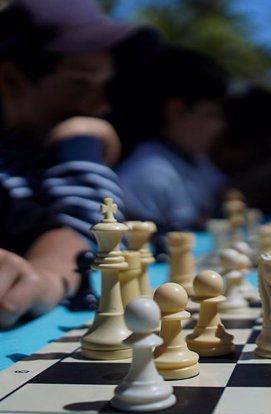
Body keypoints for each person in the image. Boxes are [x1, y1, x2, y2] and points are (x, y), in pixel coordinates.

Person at [0, 0, 156, 327]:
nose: (100, 104)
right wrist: (81, 145)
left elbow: (78, 235)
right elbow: (93, 234)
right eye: (79, 83)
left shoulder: (46, 155)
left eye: (103, 85)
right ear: (12, 81)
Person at [113, 47, 230, 232]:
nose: (220, 125)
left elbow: (226, 192)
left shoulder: (196, 161)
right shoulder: (147, 174)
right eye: (211, 114)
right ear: (176, 111)